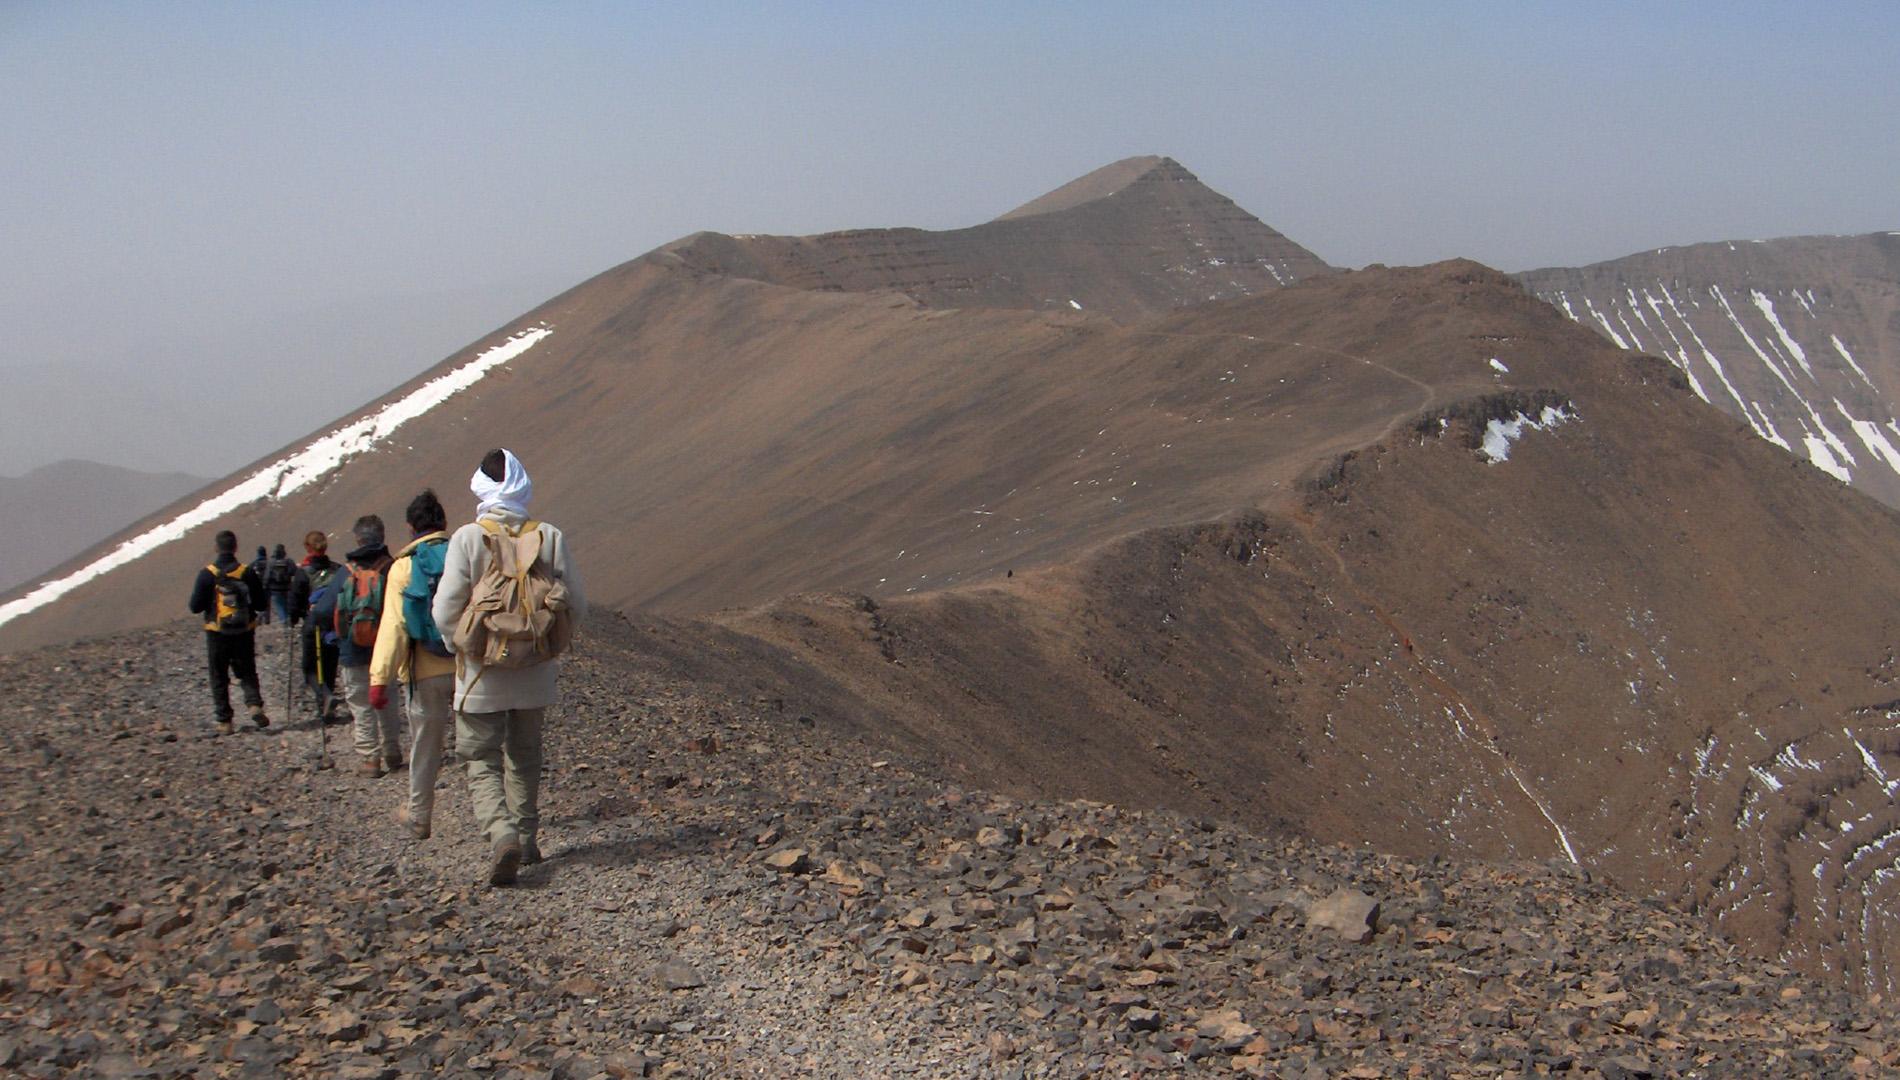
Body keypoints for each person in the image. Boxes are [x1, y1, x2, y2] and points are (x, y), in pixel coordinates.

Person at [434, 448, 583, 886]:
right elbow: (579, 603)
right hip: (535, 672)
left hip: (481, 673)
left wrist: (460, 647)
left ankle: (502, 835)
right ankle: (527, 836)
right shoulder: (550, 536)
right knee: (525, 754)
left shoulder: (467, 538)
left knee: (480, 757)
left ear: (481, 486)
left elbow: (445, 610)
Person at [369, 490, 456, 837]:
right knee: (482, 746)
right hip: (469, 669)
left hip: (424, 672)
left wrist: (380, 679)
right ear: (443, 523)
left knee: (426, 746)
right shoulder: (462, 556)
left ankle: (419, 816)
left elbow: (394, 626)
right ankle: (497, 822)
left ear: (410, 527)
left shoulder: (403, 567)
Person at [336, 515, 402, 776]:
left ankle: (370, 758)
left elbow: (325, 612)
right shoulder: (392, 568)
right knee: (387, 698)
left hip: (353, 649)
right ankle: (392, 751)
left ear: (358, 539)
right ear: (382, 536)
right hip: (385, 647)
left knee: (361, 703)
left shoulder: (346, 571)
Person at [187, 529, 271, 735]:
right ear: (235, 548)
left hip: (216, 632)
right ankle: (254, 704)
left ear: (216, 548)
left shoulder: (207, 574)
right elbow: (260, 603)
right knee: (247, 669)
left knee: (219, 675)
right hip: (244, 630)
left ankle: (225, 721)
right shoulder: (246, 572)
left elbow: (195, 607)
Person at [289, 531, 342, 724]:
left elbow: (295, 600)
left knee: (310, 668)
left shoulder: (303, 573)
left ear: (308, 548)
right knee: (329, 664)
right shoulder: (337, 570)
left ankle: (324, 696)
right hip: (335, 623)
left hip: (313, 624)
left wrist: (293, 618)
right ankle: (327, 703)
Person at [264, 543, 297, 625]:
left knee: (280, 605)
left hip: (275, 588)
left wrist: (265, 586)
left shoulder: (271, 562)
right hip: (287, 587)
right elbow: (294, 572)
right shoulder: (289, 562)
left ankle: (284, 620)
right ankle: (289, 620)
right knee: (287, 604)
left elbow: (267, 576)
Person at [247, 546, 271, 624]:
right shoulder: (269, 563)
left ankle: (259, 619)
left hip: (256, 586)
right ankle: (267, 620)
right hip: (267, 586)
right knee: (267, 603)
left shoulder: (253, 564)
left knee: (257, 603)